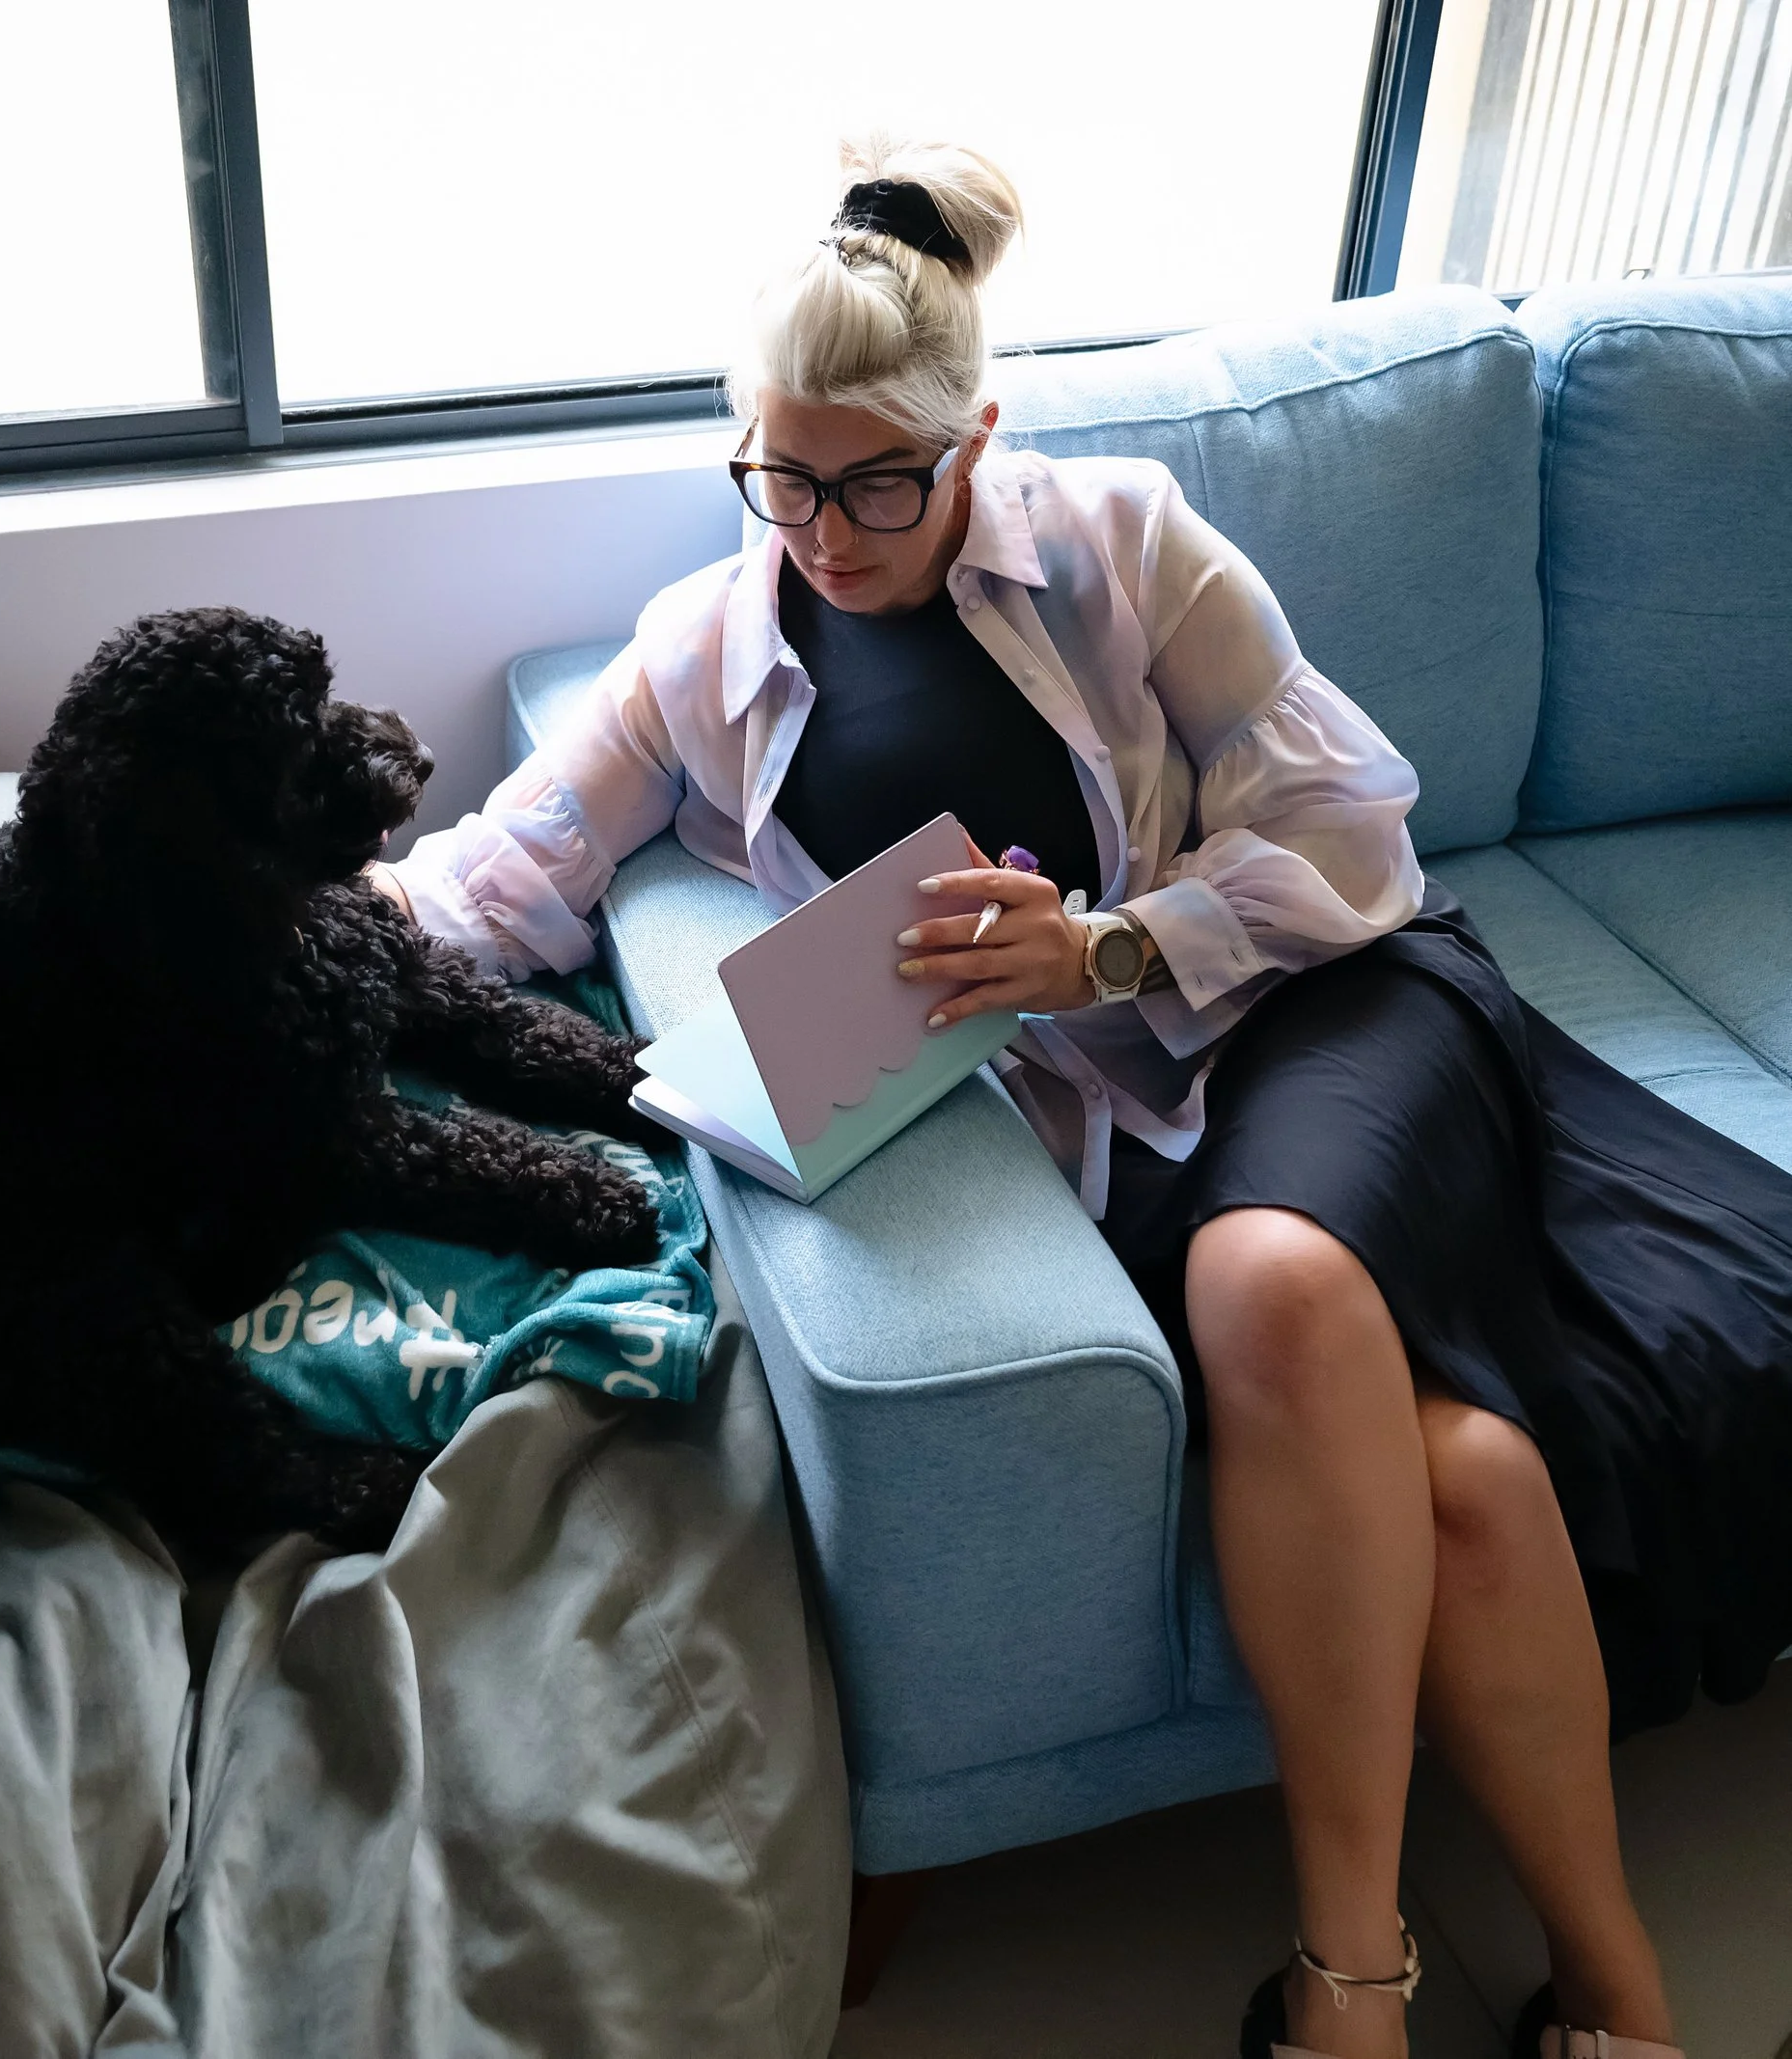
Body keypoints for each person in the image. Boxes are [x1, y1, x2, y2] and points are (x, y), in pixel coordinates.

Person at [373, 138, 1792, 2059]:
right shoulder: (698, 657)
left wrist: (1108, 946)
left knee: (1274, 1286)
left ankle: (1343, 1983)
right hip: (1103, 1112)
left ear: (974, 434)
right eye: (777, 474)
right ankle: (1599, 1987)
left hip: (1323, 1000)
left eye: (877, 477)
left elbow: (1349, 827)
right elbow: (492, 883)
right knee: (1458, 1474)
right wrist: (237, 944)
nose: (823, 527)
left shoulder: (1123, 540)